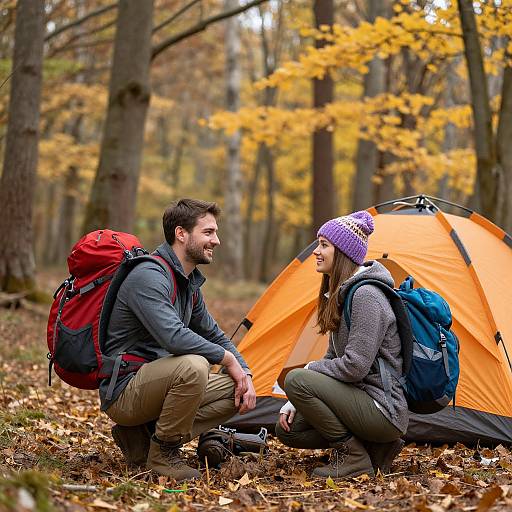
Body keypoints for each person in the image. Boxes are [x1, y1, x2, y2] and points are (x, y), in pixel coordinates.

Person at [101, 198, 256, 480]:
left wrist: (244, 371)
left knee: (237, 390)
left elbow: (214, 334)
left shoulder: (188, 282)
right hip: (125, 391)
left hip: (157, 385)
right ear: (181, 234)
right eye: (208, 232)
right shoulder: (148, 276)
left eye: (216, 233)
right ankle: (164, 455)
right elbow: (174, 337)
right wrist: (228, 359)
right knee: (195, 365)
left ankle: (144, 437)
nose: (216, 241)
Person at [275, 211, 408, 479]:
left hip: (383, 408)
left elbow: (355, 367)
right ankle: (372, 449)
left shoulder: (367, 296)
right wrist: (295, 402)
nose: (316, 251)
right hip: (359, 399)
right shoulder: (344, 293)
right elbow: (334, 355)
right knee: (290, 429)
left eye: (324, 245)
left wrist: (309, 371)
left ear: (343, 253)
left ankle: (353, 457)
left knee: (297, 378)